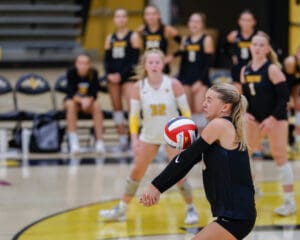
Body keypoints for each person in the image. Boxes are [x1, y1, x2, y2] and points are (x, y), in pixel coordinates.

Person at [140, 83, 256, 240]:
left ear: (225, 107)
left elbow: (187, 159)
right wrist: (158, 188)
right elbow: (189, 159)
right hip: (236, 214)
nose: (204, 104)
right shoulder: (224, 126)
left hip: (235, 216)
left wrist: (155, 186)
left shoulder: (219, 125)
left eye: (209, 100)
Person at [99, 49, 199, 225]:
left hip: (173, 137)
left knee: (179, 174)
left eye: (157, 62)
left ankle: (191, 208)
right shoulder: (138, 87)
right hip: (149, 135)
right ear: (145, 65)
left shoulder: (173, 84)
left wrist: (188, 136)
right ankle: (122, 208)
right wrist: (135, 138)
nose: (154, 65)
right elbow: (134, 116)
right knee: (136, 172)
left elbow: (186, 111)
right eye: (150, 62)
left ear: (163, 64)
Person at [241, 32, 296, 216]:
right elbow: (245, 96)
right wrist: (245, 111)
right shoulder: (245, 70)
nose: (257, 47)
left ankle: (289, 203)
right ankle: (251, 191)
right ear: (250, 47)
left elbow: (284, 97)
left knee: (280, 156)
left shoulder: (272, 69)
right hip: (255, 118)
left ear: (266, 49)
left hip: (276, 117)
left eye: (261, 45)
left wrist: (272, 118)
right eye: (254, 44)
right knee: (244, 154)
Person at [104, 8, 141, 151]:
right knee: (117, 108)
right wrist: (109, 74)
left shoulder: (133, 36)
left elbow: (134, 60)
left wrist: (122, 75)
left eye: (123, 16)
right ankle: (121, 140)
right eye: (117, 16)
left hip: (128, 77)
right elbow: (106, 61)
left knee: (132, 108)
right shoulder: (110, 38)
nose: (120, 19)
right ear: (114, 19)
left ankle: (134, 139)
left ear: (127, 19)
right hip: (113, 78)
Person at [177, 12, 214, 132]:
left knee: (199, 110)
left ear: (202, 24)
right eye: (192, 21)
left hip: (201, 80)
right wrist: (181, 81)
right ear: (188, 23)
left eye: (197, 21)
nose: (194, 24)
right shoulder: (185, 40)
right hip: (186, 79)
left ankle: (202, 142)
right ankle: (191, 142)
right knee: (187, 111)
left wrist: (200, 81)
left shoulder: (206, 39)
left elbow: (207, 64)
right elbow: (183, 63)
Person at [65, 54, 105, 154]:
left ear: (89, 65)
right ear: (76, 64)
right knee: (70, 105)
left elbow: (94, 92)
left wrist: (88, 100)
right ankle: (74, 142)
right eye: (80, 63)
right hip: (75, 102)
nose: (83, 65)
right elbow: (70, 92)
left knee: (97, 106)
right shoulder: (71, 72)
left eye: (86, 63)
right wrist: (81, 100)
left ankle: (100, 142)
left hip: (88, 103)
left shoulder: (94, 73)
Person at [137, 4, 181, 73]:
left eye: (154, 14)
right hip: (147, 66)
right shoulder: (141, 30)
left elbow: (184, 44)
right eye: (148, 14)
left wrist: (171, 56)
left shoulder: (166, 29)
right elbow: (135, 47)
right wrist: (140, 56)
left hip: (162, 66)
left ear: (159, 15)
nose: (151, 17)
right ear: (144, 16)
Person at [227, 10, 258, 92]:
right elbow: (225, 49)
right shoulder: (234, 36)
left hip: (254, 70)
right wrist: (232, 55)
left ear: (254, 22)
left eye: (249, 20)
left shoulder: (258, 36)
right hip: (238, 71)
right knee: (238, 96)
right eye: (243, 20)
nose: (246, 23)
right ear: (239, 21)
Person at [284, 47, 300, 156]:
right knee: (288, 106)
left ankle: (296, 143)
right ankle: (288, 143)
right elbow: (283, 85)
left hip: (294, 88)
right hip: (280, 90)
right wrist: (288, 99)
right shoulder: (290, 62)